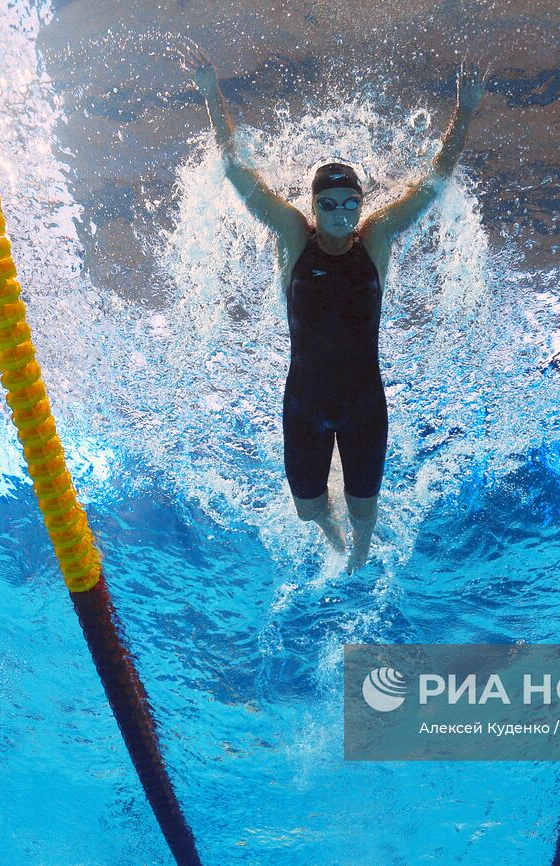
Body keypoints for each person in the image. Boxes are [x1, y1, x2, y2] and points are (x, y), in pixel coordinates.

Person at [178, 43, 487, 572]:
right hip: (305, 400)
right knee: (307, 509)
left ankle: (359, 552)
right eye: (329, 204)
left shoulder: (377, 238)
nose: (341, 214)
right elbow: (236, 173)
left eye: (350, 203)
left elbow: (432, 184)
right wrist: (212, 95)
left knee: (365, 510)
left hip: (364, 400)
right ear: (313, 205)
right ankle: (330, 534)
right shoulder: (293, 236)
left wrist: (465, 113)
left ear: (361, 204)